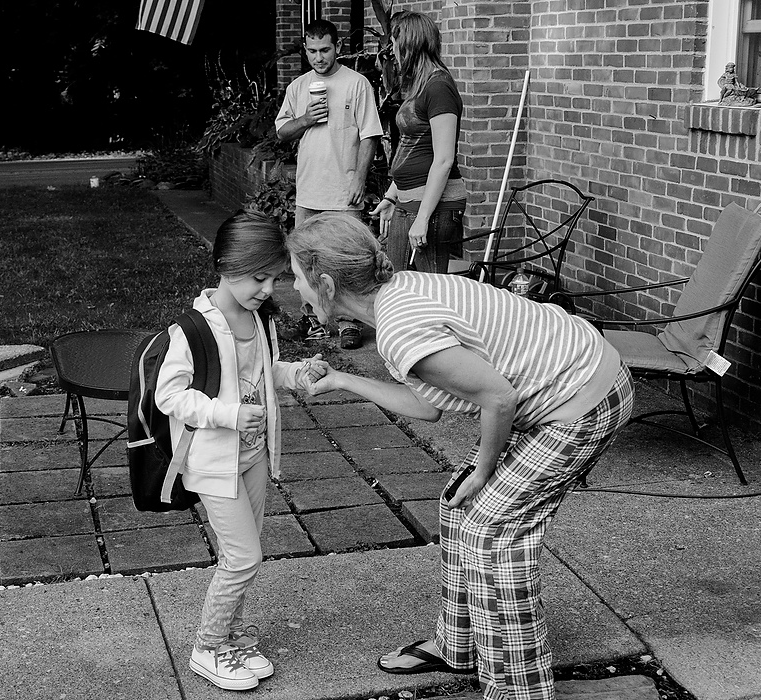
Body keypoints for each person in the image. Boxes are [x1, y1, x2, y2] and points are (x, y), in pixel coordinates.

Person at [286, 212, 635, 700]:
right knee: (460, 506)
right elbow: (428, 404)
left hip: (582, 398)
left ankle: (519, 691)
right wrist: (343, 380)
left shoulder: (399, 326)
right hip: (566, 379)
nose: (294, 289)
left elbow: (497, 399)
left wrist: (485, 469)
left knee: (492, 530)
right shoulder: (398, 295)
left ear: (324, 283)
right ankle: (460, 644)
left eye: (296, 277)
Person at [155, 210, 325, 691]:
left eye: (275, 277)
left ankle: (228, 637)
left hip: (253, 458)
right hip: (214, 463)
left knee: (246, 555)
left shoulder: (256, 319)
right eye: (258, 277)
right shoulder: (192, 330)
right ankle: (207, 647)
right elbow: (168, 396)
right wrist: (227, 414)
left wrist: (297, 374)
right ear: (226, 264)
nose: (269, 289)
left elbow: (262, 375)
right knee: (243, 557)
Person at [275, 18, 383, 349]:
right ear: (305, 51)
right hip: (309, 190)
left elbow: (370, 136)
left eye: (325, 50)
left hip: (343, 190)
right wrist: (306, 118)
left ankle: (351, 322)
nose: (319, 57)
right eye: (312, 51)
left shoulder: (357, 84)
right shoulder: (297, 87)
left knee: (350, 260)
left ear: (337, 48)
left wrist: (359, 179)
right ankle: (312, 319)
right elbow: (281, 132)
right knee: (304, 259)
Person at [370, 11, 466, 276]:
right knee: (396, 283)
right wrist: (392, 194)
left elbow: (444, 159)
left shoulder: (439, 87)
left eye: (396, 47)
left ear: (411, 46)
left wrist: (423, 217)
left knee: (431, 290)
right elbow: (413, 144)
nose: (394, 55)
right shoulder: (420, 86)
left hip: (432, 208)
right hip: (408, 201)